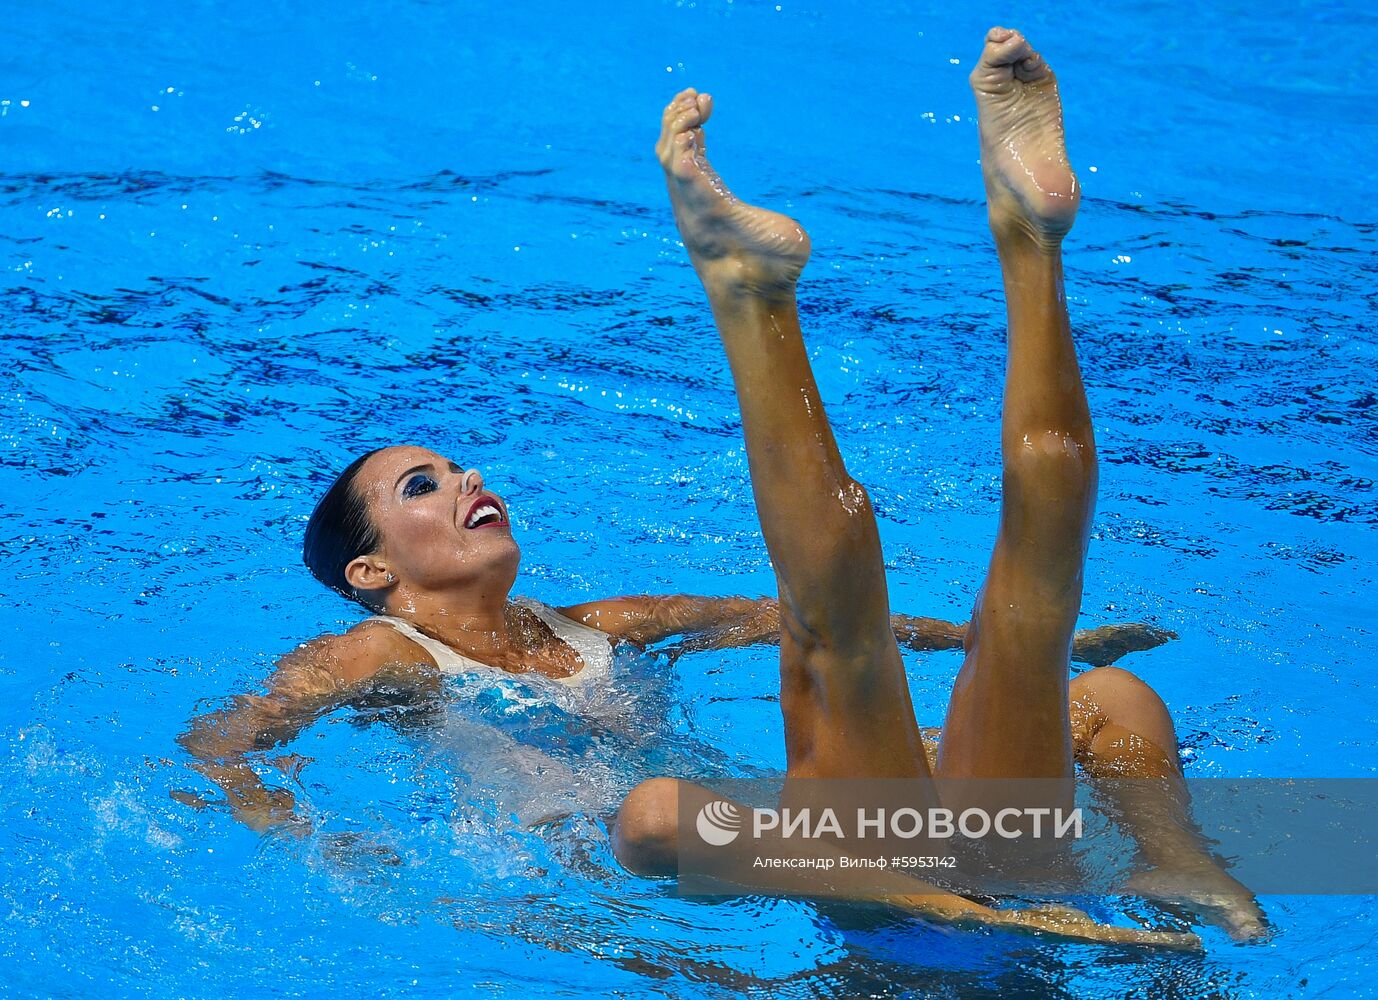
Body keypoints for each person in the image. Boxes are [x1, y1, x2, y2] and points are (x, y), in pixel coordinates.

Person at [177, 27, 1258, 947]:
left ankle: (1163, 865)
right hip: (699, 867)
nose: (467, 480)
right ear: (370, 568)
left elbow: (802, 610)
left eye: (459, 466)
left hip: (818, 855)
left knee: (1090, 689)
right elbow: (220, 741)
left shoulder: (598, 625)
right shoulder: (380, 650)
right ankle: (1025, 249)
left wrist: (1023, 654)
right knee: (655, 813)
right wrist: (290, 824)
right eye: (422, 484)